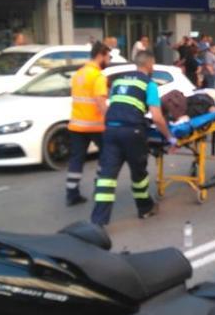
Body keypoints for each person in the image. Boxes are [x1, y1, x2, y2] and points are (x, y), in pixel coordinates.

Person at [92, 51, 175, 227]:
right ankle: (145, 208)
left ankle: (97, 222)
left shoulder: (119, 80)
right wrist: (169, 137)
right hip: (132, 132)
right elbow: (157, 117)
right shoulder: (149, 84)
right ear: (150, 64)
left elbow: (115, 105)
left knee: (106, 177)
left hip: (111, 130)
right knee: (139, 174)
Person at [66, 41, 111, 207]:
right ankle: (99, 189)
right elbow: (100, 101)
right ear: (100, 55)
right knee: (106, 156)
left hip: (77, 125)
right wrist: (110, 118)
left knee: (76, 159)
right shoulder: (98, 76)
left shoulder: (79, 74)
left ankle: (71, 193)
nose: (109, 60)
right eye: (108, 57)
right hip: (95, 125)